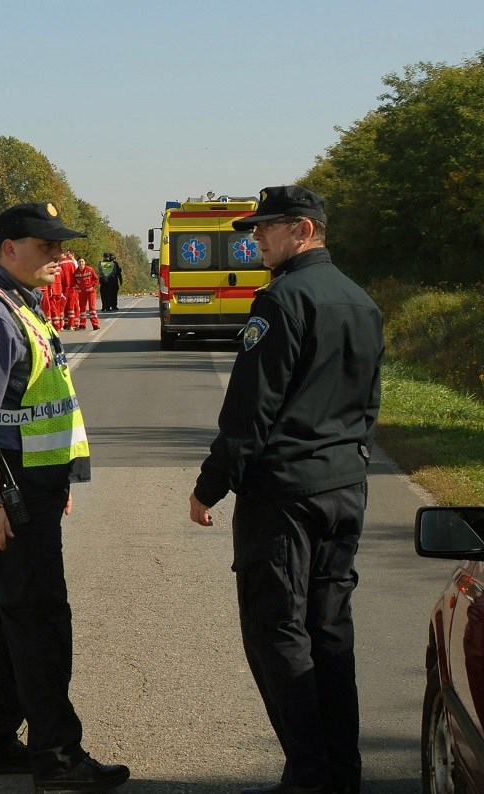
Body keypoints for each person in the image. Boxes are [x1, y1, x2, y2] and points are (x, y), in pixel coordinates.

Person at [188, 186, 383, 794]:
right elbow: (370, 404)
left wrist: (210, 486)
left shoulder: (280, 301)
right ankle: (340, 772)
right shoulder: (361, 301)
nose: (256, 239)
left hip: (286, 494)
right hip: (345, 488)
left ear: (303, 229)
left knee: (278, 630)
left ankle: (309, 773)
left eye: (266, 229)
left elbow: (249, 411)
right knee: (329, 629)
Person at [0, 201, 130, 793]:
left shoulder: (22, 308)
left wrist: (57, 478)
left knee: (9, 613)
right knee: (41, 618)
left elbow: (36, 408)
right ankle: (58, 757)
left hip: (30, 486)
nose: (59, 256)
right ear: (9, 248)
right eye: (47, 247)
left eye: (60, 247)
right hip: (8, 492)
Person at [72, 256, 101, 330]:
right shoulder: (76, 272)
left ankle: (95, 324)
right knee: (82, 309)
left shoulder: (90, 270)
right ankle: (82, 325)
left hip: (91, 292)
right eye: (79, 262)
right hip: (81, 293)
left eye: (82, 261)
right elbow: (73, 281)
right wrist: (77, 287)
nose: (81, 263)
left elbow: (96, 279)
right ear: (77, 263)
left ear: (85, 262)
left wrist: (91, 285)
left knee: (92, 309)